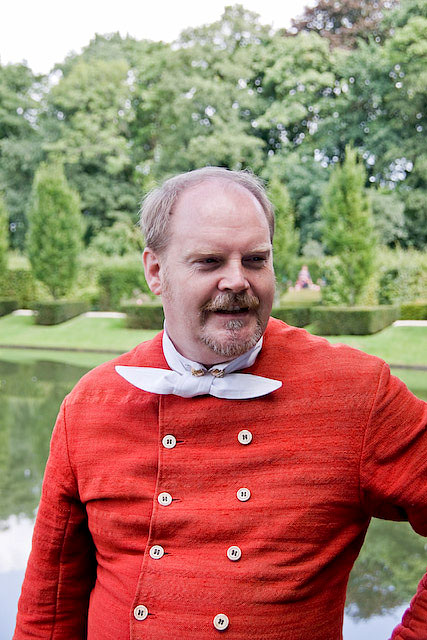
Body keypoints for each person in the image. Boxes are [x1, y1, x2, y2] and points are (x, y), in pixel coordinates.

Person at [14, 167, 427, 639]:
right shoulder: (90, 404)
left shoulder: (355, 393)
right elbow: (49, 605)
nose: (237, 281)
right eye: (209, 262)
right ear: (155, 271)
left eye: (255, 259)